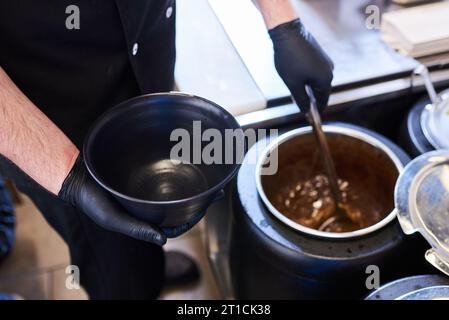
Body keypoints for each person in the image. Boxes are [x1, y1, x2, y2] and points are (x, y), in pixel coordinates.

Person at [0, 0, 333, 299]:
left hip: (146, 62)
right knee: (114, 266)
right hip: (50, 129)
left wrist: (283, 20)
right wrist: (70, 177)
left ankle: (149, 266)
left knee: (146, 231)